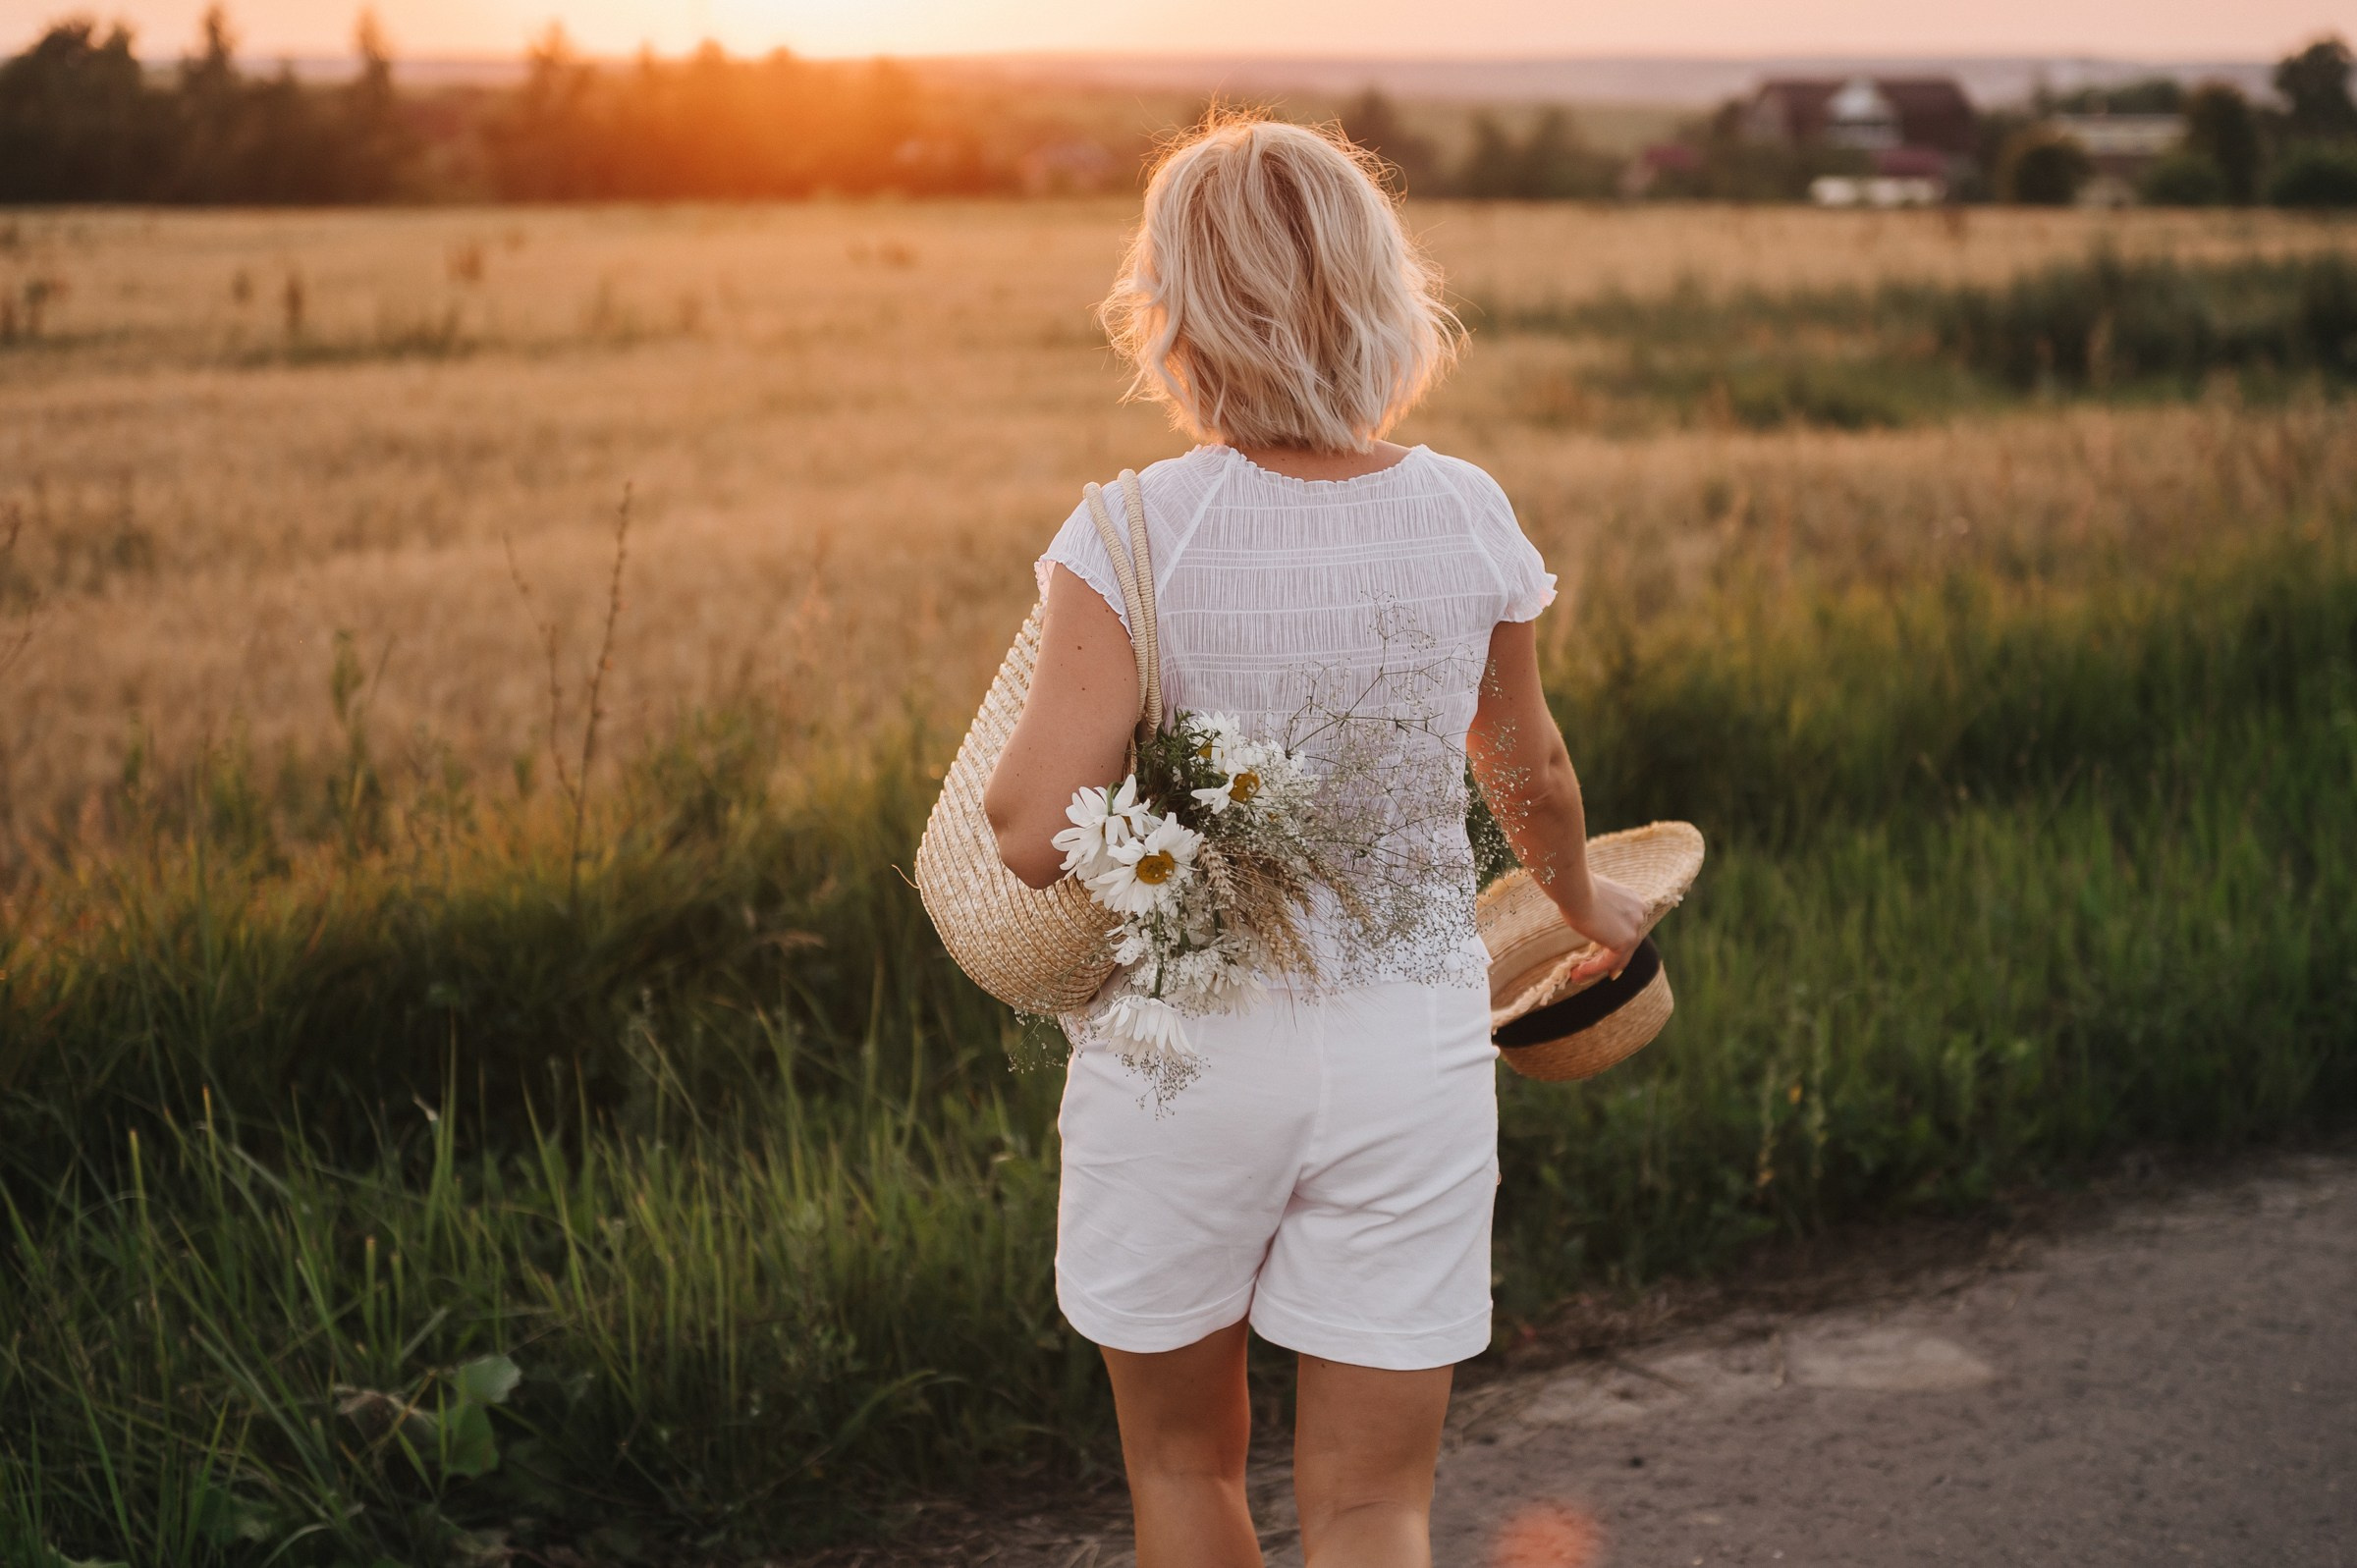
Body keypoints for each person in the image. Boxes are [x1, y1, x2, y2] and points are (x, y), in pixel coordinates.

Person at [981, 114, 1647, 1568]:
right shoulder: (1465, 512)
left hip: (1186, 1058)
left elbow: (1028, 831)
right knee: (1370, 1504)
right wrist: (1587, 905)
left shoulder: (1132, 532)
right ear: (1381, 293)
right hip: (1410, 1050)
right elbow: (1526, 767)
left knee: (1181, 1470)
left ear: (1174, 310)